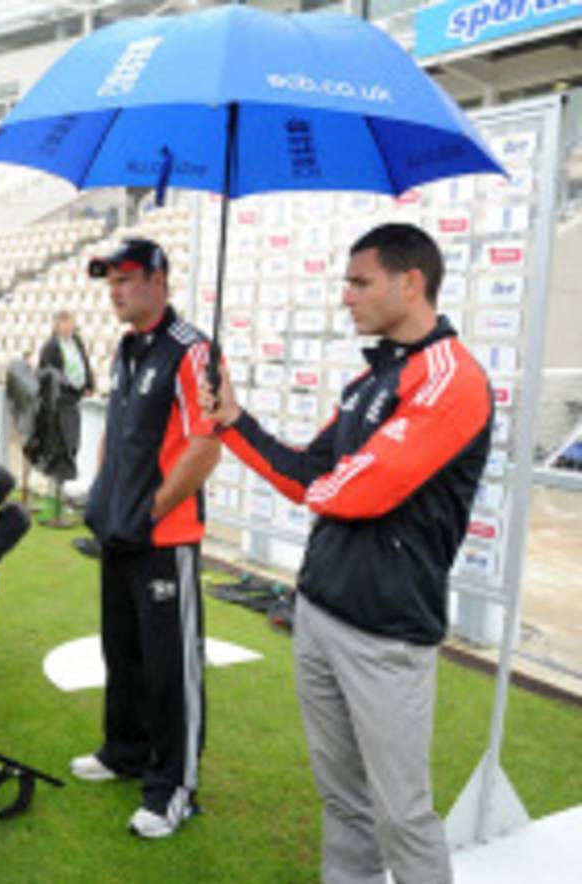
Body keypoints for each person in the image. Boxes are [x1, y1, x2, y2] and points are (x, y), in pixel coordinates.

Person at [201, 223, 491, 884]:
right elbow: (308, 470)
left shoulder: (452, 378)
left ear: (409, 283)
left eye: (359, 282)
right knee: (344, 802)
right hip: (321, 613)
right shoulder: (372, 382)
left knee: (403, 814)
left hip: (386, 635)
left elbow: (358, 491)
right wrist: (234, 423)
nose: (345, 297)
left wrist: (320, 486)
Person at [72, 238, 220, 840]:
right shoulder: (127, 348)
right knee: (122, 652)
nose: (116, 290)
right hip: (120, 531)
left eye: (127, 279)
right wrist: (108, 498)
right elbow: (118, 430)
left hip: (165, 536)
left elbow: (207, 445)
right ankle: (124, 750)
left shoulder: (193, 350)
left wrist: (149, 512)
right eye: (109, 281)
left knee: (170, 667)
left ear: (160, 279)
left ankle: (173, 787)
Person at [37, 310, 94, 481]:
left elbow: (84, 362)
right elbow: (46, 374)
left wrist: (89, 383)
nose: (69, 327)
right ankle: (58, 482)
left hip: (74, 398)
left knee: (73, 440)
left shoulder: (76, 342)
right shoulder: (51, 347)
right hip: (59, 400)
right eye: (65, 323)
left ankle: (64, 478)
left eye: (71, 323)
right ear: (57, 326)